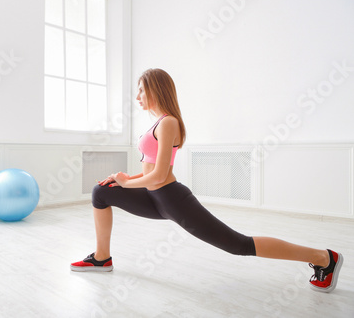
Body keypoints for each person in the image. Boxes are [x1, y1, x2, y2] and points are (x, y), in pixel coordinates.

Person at [70, 68, 343, 293]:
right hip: (153, 196)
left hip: (171, 198)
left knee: (238, 244)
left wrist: (128, 183)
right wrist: (126, 178)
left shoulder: (168, 122)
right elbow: (151, 170)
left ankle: (323, 258)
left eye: (142, 89)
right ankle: (102, 257)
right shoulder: (155, 124)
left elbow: (162, 175)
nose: (138, 96)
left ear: (156, 89)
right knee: (101, 192)